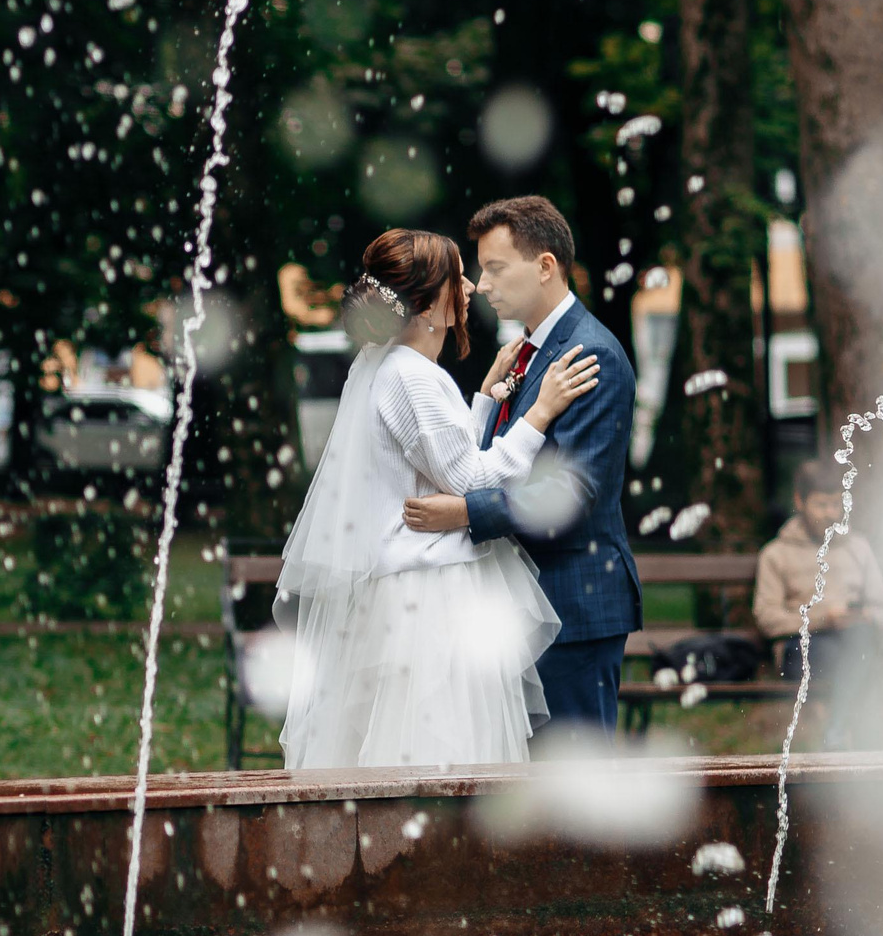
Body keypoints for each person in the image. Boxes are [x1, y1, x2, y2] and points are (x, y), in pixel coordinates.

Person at [274, 227, 602, 769]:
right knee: (441, 751)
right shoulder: (414, 378)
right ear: (427, 305)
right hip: (430, 600)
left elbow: (433, 462)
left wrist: (482, 399)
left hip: (407, 593)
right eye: (458, 278)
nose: (470, 288)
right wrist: (540, 413)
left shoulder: (387, 366)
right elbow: (472, 480)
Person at [401, 197, 642, 735]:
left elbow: (571, 493)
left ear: (545, 266)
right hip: (526, 605)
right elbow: (494, 459)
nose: (482, 285)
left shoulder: (590, 355)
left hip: (572, 604)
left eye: (495, 268)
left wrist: (465, 513)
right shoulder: (529, 351)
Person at [754, 457, 883, 698]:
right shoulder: (776, 554)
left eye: (836, 504)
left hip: (853, 639)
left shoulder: (858, 547)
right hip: (801, 645)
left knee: (859, 646)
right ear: (800, 501)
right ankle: (852, 723)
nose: (830, 513)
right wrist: (823, 619)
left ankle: (839, 723)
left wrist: (865, 615)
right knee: (850, 659)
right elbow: (767, 619)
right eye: (821, 505)